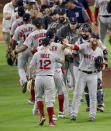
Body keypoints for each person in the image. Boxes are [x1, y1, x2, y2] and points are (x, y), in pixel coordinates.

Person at [64, 33, 105, 122]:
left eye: (96, 38)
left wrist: (102, 66)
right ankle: (73, 114)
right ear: (90, 39)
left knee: (93, 96)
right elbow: (76, 47)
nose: (95, 39)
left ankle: (92, 116)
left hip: (93, 75)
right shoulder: (84, 46)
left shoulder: (99, 51)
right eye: (93, 38)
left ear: (98, 40)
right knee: (77, 94)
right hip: (82, 74)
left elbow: (103, 63)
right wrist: (68, 45)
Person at [29, 37, 65, 126]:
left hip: (38, 78)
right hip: (49, 79)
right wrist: (62, 51)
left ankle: (42, 116)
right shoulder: (52, 54)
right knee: (49, 100)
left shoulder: (37, 54)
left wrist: (30, 77)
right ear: (49, 44)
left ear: (42, 44)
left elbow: (30, 67)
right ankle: (51, 122)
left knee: (39, 98)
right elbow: (63, 61)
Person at [12, 13, 35, 94]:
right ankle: (29, 81)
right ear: (29, 19)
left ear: (23, 20)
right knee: (29, 67)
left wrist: (13, 50)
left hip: (21, 49)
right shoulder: (33, 27)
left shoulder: (18, 28)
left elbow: (14, 40)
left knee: (21, 68)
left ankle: (24, 80)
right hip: (32, 50)